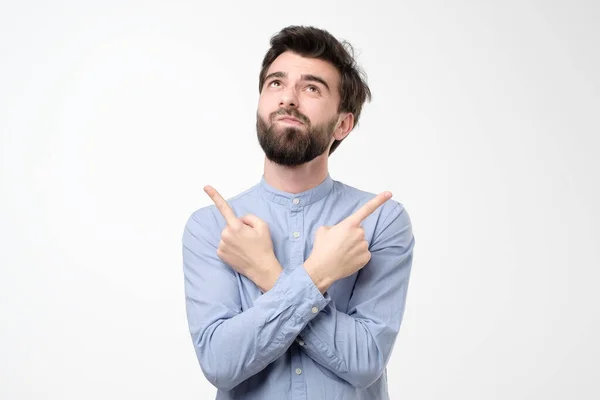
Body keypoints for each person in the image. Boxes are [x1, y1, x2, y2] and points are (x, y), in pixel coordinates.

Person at [182, 25, 416, 400]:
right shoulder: (211, 227)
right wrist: (319, 273)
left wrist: (268, 274)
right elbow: (220, 363)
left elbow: (366, 361)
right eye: (276, 83)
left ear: (343, 124)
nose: (288, 98)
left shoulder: (380, 222)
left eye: (311, 88)